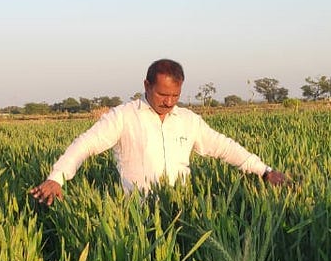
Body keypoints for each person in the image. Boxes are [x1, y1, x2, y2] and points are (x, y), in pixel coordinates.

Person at [29, 58, 291, 205]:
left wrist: (264, 171)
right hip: (138, 216)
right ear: (146, 85)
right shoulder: (123, 117)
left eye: (175, 95)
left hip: (182, 211)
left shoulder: (189, 120)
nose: (168, 101)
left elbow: (225, 148)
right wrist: (57, 177)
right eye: (163, 94)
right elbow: (84, 145)